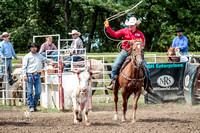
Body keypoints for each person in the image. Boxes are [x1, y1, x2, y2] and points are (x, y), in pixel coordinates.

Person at [104, 17, 153, 93]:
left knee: (146, 67)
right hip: (125, 51)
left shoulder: (139, 34)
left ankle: (148, 85)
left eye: (132, 24)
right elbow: (114, 34)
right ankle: (113, 82)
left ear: (136, 25)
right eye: (130, 24)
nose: (130, 26)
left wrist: (135, 43)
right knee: (115, 65)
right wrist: (108, 27)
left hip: (136, 53)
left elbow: (143, 44)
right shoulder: (124, 31)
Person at [22, 43, 51, 112]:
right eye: (32, 47)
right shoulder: (27, 56)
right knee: (29, 92)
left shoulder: (39, 56)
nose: (34, 48)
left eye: (35, 47)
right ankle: (31, 106)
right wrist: (24, 75)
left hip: (37, 75)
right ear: (30, 48)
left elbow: (45, 60)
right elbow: (24, 67)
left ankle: (34, 106)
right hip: (30, 74)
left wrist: (51, 61)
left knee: (38, 91)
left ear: (37, 48)